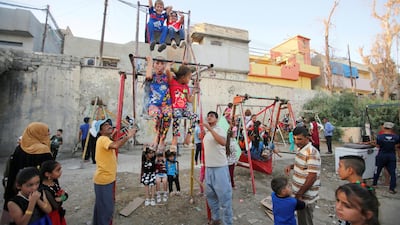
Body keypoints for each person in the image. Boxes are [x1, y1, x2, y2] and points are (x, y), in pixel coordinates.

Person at [92, 119, 136, 225]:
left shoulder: (105, 139)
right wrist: (128, 136)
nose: (109, 126)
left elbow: (113, 142)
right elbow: (116, 145)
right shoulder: (103, 139)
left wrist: (117, 133)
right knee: (106, 210)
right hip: (104, 180)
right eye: (105, 125)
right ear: (100, 131)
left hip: (105, 179)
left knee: (100, 208)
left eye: (109, 124)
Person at [3, 122, 54, 213]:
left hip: (19, 188)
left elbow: (13, 170)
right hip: (37, 189)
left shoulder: (20, 148)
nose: (48, 136)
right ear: (39, 134)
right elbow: (50, 172)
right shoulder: (43, 150)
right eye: (46, 133)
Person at [284, 126, 321, 225]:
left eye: (299, 139)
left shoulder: (312, 153)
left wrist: (299, 194)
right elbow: (303, 165)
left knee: (305, 222)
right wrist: (291, 166)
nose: (296, 141)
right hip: (299, 195)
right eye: (295, 139)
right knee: (301, 220)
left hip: (306, 197)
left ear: (307, 138)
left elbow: (312, 177)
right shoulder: (301, 149)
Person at [202, 111, 233, 225]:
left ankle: (227, 222)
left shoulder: (219, 129)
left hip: (220, 167)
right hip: (209, 168)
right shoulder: (207, 133)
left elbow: (223, 142)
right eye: (208, 115)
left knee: (225, 198)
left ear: (216, 118)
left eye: (212, 116)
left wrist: (209, 129)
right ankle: (216, 218)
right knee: (210, 196)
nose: (209, 117)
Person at [167, 64, 199, 152]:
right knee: (177, 118)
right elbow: (168, 71)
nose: (189, 79)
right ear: (183, 77)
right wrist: (173, 66)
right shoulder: (172, 82)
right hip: (175, 107)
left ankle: (187, 138)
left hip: (184, 108)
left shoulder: (186, 87)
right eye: (189, 77)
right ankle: (174, 141)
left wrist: (193, 92)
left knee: (195, 117)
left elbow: (189, 99)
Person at [145, 56, 172, 151]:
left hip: (166, 104)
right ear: (154, 65)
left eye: (162, 64)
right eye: (157, 63)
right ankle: (157, 136)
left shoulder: (167, 77)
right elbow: (148, 77)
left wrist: (168, 67)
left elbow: (170, 79)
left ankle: (162, 139)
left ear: (164, 66)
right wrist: (150, 62)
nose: (159, 66)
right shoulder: (152, 76)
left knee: (168, 116)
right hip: (154, 104)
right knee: (158, 116)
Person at [336, 155, 366, 225]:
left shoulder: (358, 193)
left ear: (350, 170)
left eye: (340, 166)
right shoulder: (361, 186)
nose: (338, 170)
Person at [372, 122, 400, 194]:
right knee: (392, 173)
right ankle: (391, 189)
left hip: (381, 155)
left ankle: (374, 185)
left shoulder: (379, 137)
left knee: (377, 170)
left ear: (384, 127)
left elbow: (378, 146)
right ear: (392, 128)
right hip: (391, 156)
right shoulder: (396, 137)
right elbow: (397, 145)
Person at [39, 160, 68, 225]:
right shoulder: (44, 189)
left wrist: (62, 198)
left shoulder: (54, 183)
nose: (60, 172)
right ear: (47, 174)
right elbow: (55, 206)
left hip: (58, 215)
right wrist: (63, 197)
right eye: (57, 170)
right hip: (52, 217)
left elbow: (65, 195)